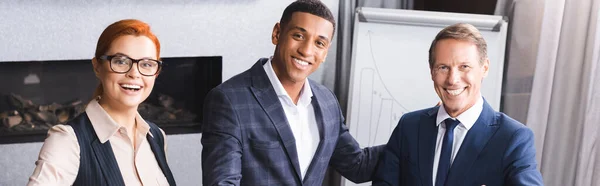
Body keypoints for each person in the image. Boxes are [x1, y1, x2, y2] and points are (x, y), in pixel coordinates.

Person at [201, 0, 384, 185]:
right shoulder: (229, 100)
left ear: (326, 52)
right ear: (277, 33)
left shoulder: (327, 101)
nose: (306, 51)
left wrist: (410, 129)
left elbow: (358, 166)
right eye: (298, 35)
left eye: (319, 43)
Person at [372, 23, 544, 186]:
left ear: (484, 68)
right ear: (432, 71)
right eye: (443, 67)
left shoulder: (513, 138)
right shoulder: (409, 127)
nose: (452, 80)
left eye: (464, 67)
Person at [27, 19, 176, 186]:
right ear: (97, 66)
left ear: (156, 73)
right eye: (121, 61)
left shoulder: (156, 136)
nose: (135, 74)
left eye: (147, 64)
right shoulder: (68, 140)